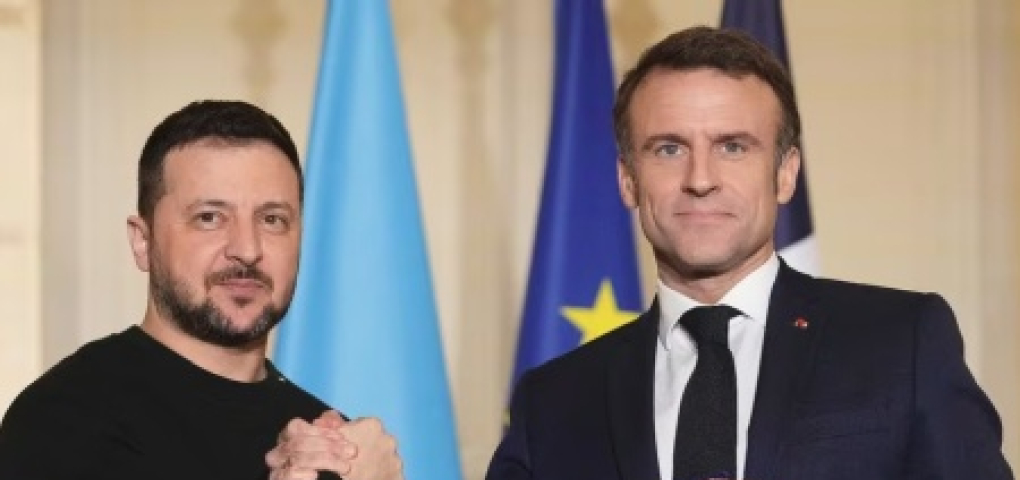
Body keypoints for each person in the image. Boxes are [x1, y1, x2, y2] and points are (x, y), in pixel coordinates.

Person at [486, 26, 1013, 480]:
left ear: (786, 173)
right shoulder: (554, 400)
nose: (700, 179)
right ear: (628, 180)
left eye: (733, 147)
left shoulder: (901, 342)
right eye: (669, 148)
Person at [0, 100, 403, 480]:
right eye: (210, 218)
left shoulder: (329, 446)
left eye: (272, 220)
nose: (247, 249)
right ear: (143, 241)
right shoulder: (66, 420)